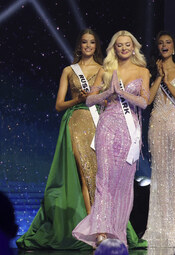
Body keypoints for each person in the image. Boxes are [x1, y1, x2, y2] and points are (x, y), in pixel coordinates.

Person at [16, 28, 103, 249]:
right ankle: (93, 230)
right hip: (76, 122)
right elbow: (58, 105)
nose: (88, 46)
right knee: (85, 173)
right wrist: (78, 100)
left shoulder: (104, 70)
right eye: (84, 42)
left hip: (98, 123)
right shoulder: (69, 71)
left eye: (92, 43)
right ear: (79, 46)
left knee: (99, 175)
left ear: (96, 46)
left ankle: (103, 225)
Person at [72, 30, 150, 248]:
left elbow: (144, 102)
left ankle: (118, 233)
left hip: (129, 130)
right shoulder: (106, 70)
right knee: (104, 179)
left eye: (127, 45)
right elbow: (90, 101)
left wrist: (122, 93)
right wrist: (108, 93)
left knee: (123, 183)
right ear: (113, 48)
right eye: (119, 45)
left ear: (133, 47)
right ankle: (101, 233)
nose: (123, 49)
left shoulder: (142, 71)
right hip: (107, 126)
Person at [143, 31, 175, 248]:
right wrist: (159, 77)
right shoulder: (151, 72)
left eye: (168, 42)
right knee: (160, 174)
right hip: (157, 124)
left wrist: (167, 81)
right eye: (160, 43)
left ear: (173, 47)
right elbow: (148, 100)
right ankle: (161, 227)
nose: (164, 45)